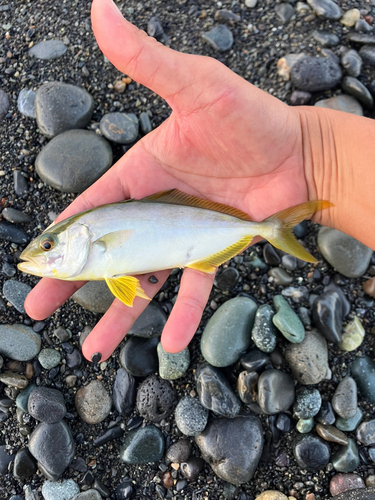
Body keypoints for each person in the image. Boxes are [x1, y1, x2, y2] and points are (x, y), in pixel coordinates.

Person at [24, 0, 375, 362]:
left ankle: (272, 227)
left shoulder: (94, 231)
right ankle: (274, 227)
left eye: (49, 245)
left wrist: (308, 155)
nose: (42, 251)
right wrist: (314, 159)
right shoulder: (95, 242)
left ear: (80, 236)